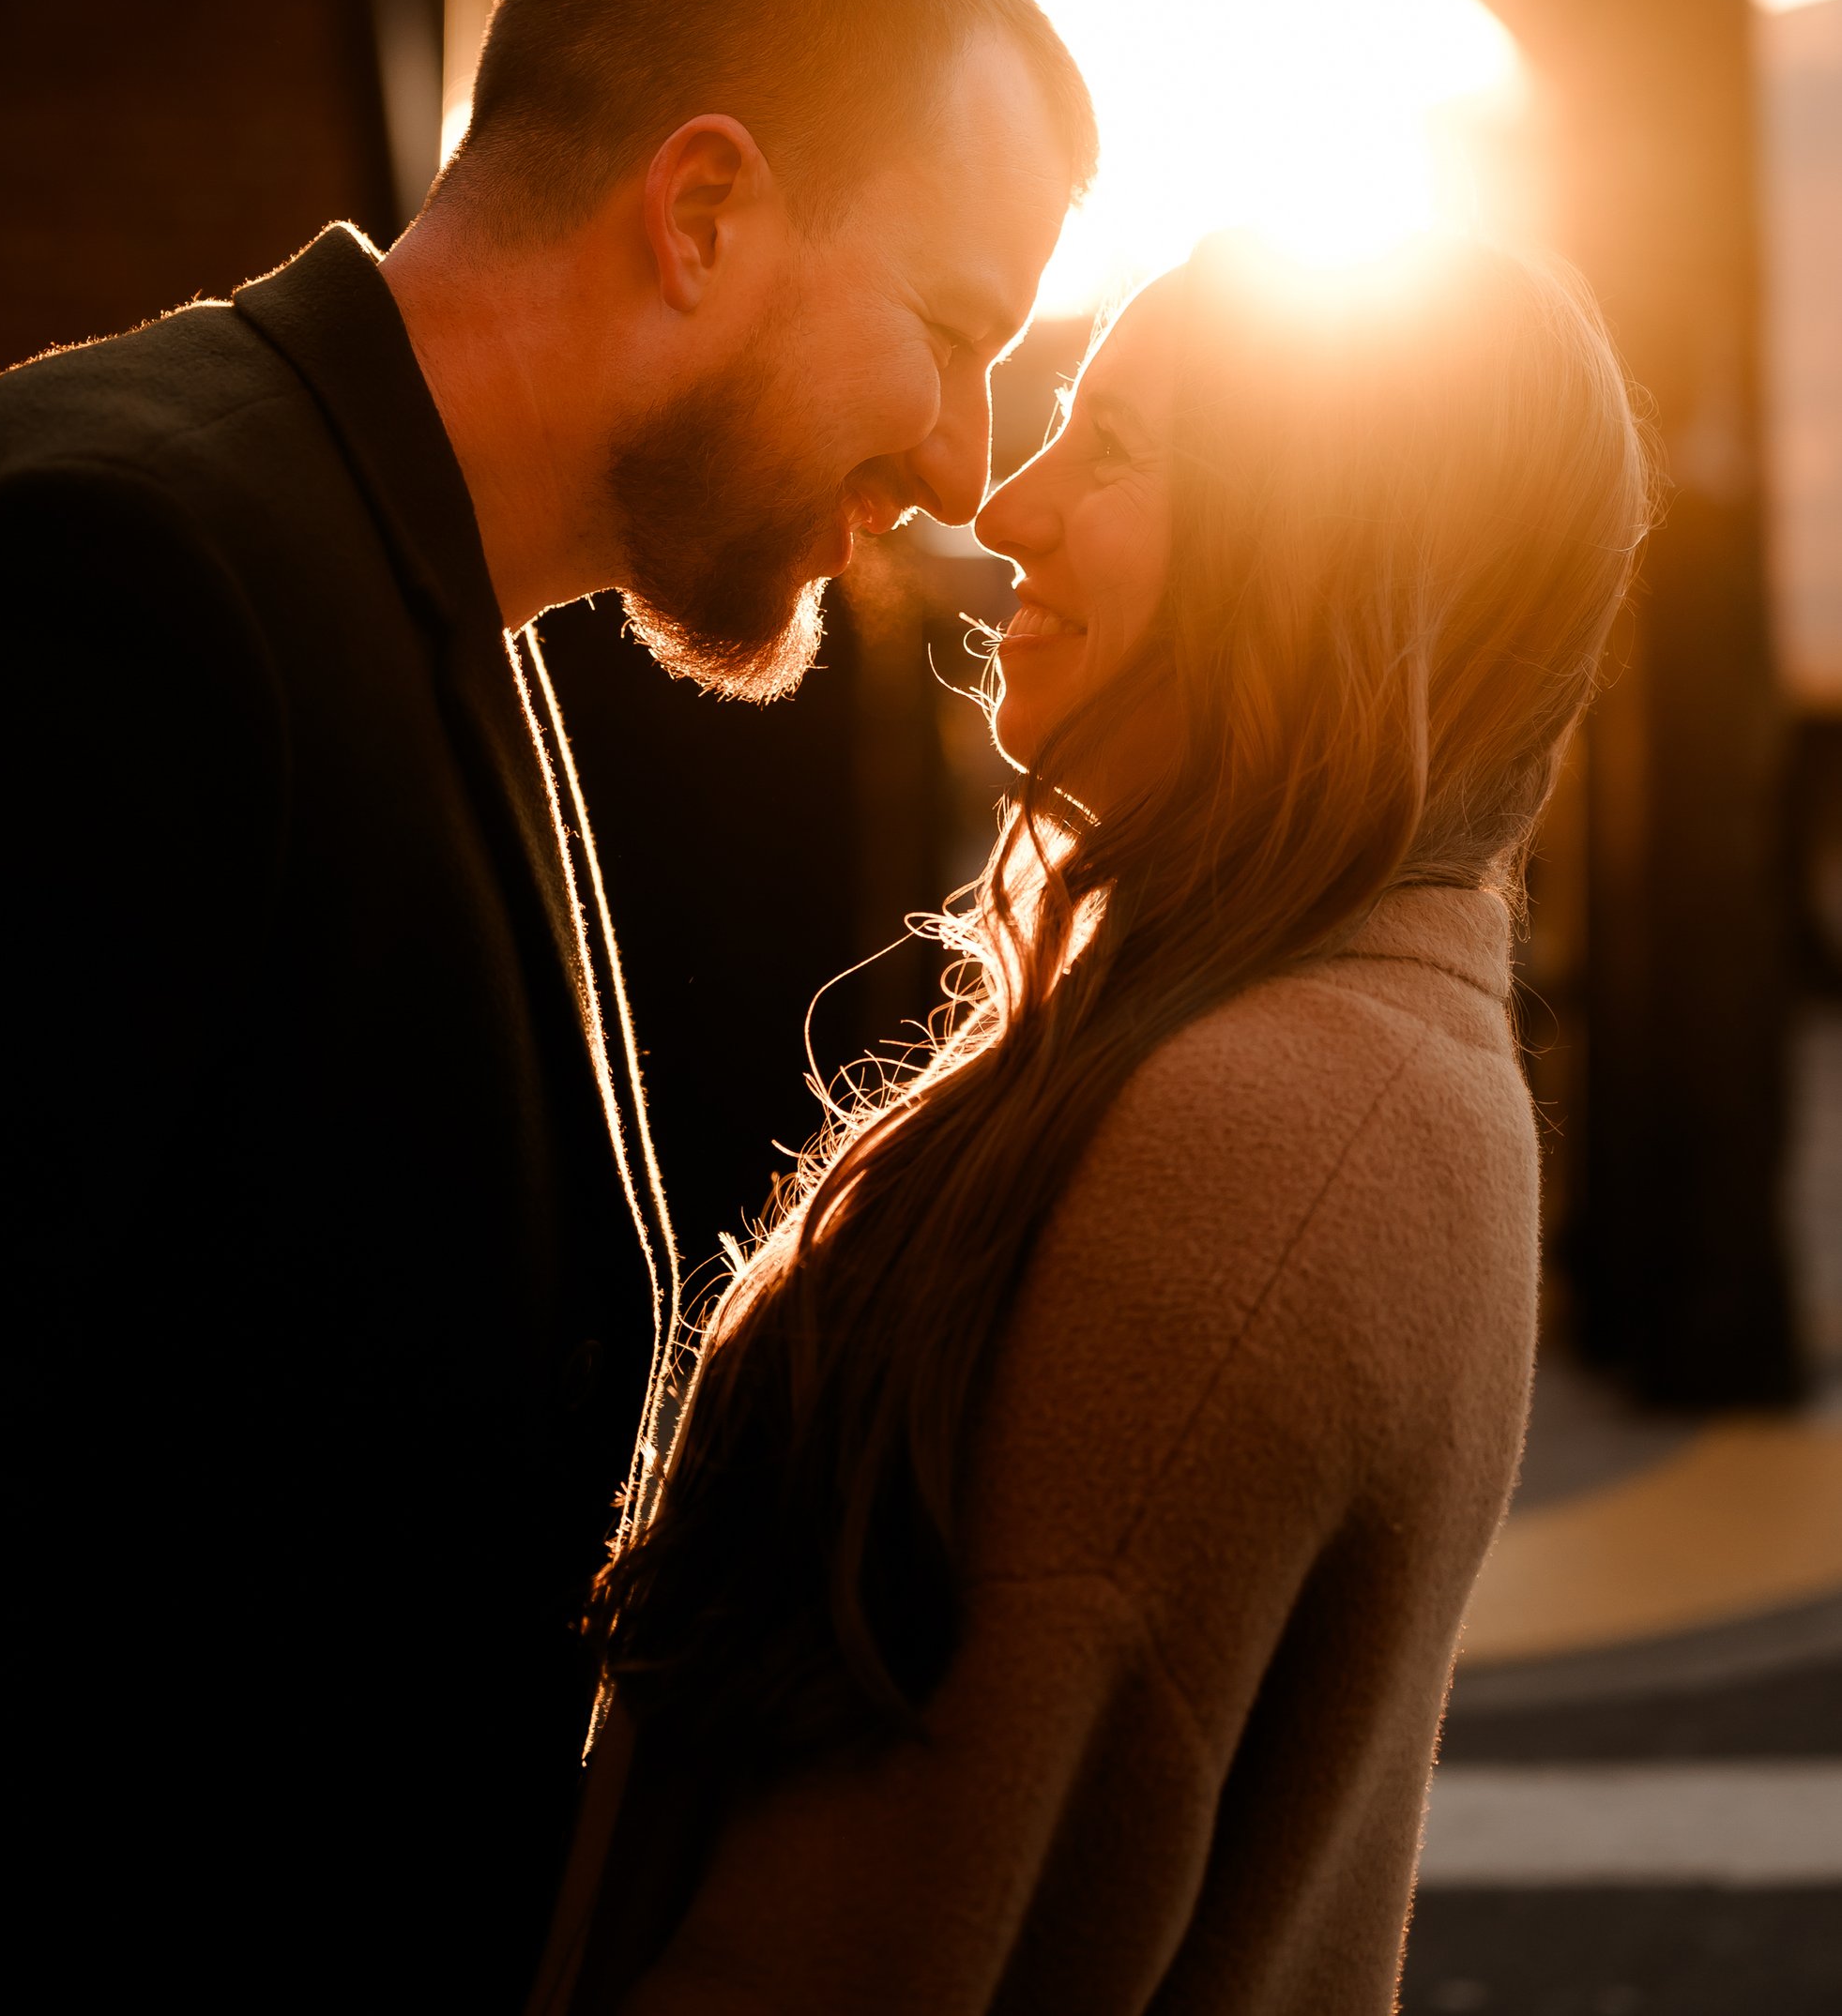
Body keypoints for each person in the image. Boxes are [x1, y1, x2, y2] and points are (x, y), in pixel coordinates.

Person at [0, 0, 1091, 1993]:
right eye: (950, 326)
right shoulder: (100, 590)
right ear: (699, 212)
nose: (961, 459)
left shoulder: (384, 580)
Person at [545, 226, 1651, 2016]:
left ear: (1327, 554)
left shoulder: (1267, 1134)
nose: (1011, 503)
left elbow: (878, 1935)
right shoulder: (1341, 1048)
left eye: (1116, 447)